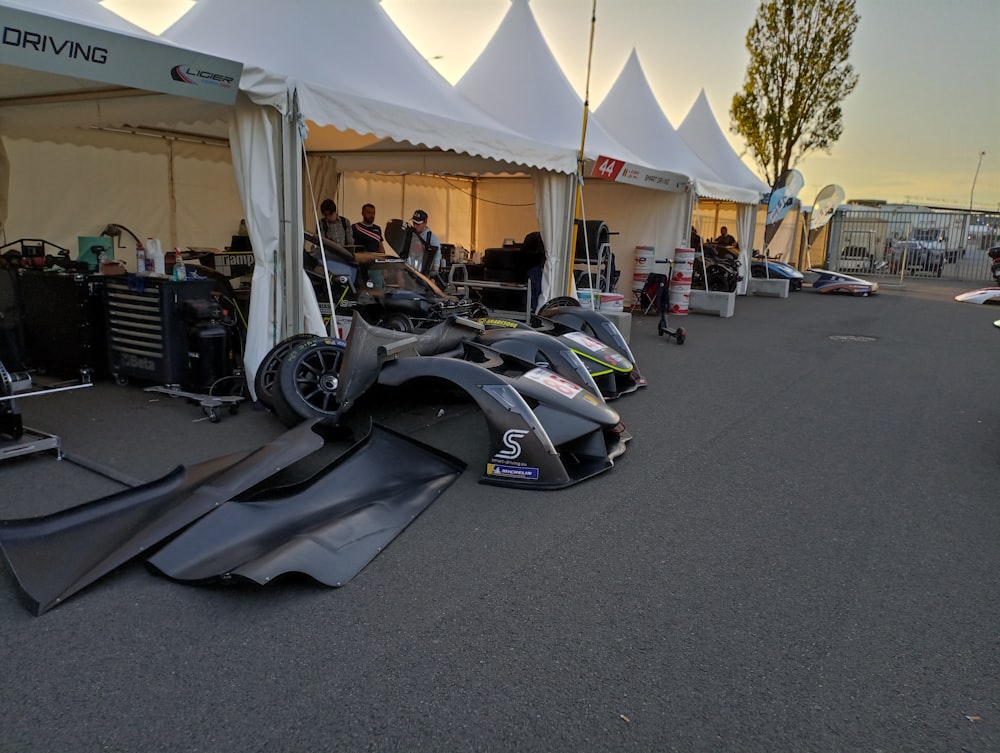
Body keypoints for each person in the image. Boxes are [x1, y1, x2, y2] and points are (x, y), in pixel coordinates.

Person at [405, 209, 442, 277]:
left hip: (425, 276)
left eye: (418, 224)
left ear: (425, 222)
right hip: (409, 273)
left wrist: (433, 277)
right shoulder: (410, 236)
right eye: (414, 223)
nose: (415, 226)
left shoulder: (433, 239)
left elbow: (436, 259)